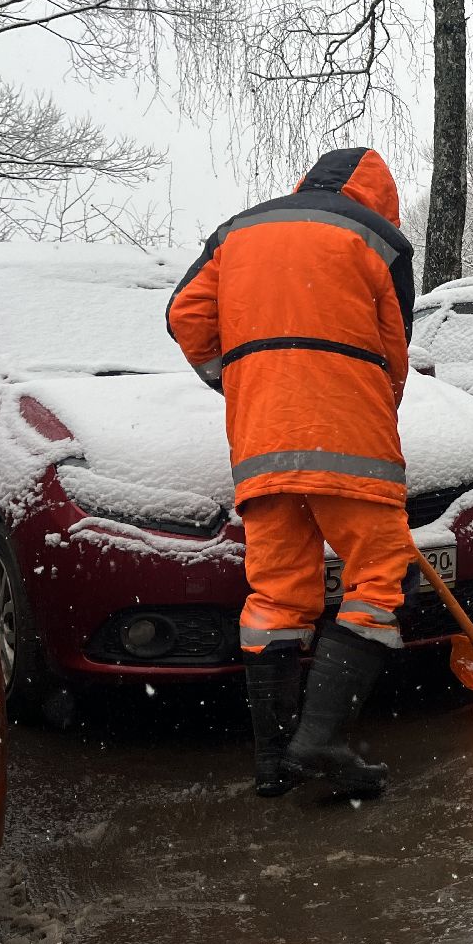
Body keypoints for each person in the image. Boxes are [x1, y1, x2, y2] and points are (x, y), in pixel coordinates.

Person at [167, 147, 415, 798]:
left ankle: (274, 762)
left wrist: (243, 380)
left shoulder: (237, 230)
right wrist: (369, 407)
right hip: (350, 435)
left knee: (277, 596)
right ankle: (322, 739)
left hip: (260, 441)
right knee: (380, 580)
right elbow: (393, 353)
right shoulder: (379, 239)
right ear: (378, 196)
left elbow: (184, 319)